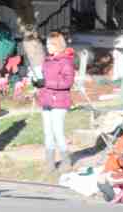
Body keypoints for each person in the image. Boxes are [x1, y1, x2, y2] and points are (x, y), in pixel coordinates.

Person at [38, 32, 75, 173]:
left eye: (50, 44)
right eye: (47, 44)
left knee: (58, 131)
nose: (47, 47)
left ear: (58, 45)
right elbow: (45, 80)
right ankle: (50, 163)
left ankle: (66, 161)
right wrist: (38, 83)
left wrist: (47, 82)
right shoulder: (47, 61)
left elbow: (67, 82)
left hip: (60, 100)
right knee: (48, 132)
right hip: (47, 99)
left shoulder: (66, 61)